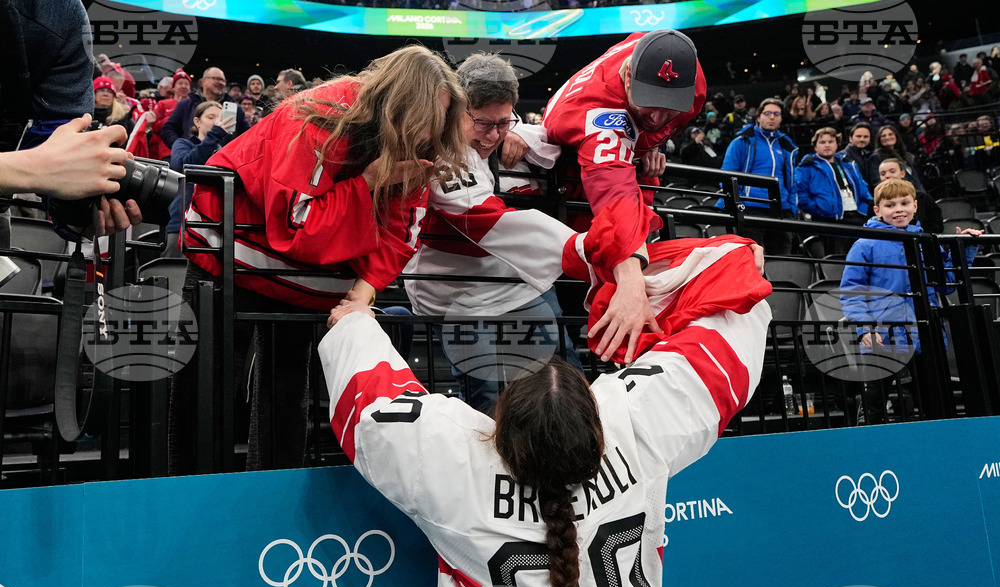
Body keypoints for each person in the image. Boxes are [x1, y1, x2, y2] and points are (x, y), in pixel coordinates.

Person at [319, 239, 770, 587]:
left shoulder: (453, 461)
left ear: (498, 427)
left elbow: (371, 403)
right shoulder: (634, 423)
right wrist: (737, 260)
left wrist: (358, 319)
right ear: (596, 423)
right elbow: (726, 340)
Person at [168, 45, 468, 473]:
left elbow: (403, 230)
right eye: (423, 121)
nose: (428, 136)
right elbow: (299, 227)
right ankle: (187, 504)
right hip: (227, 253)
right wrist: (366, 183)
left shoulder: (421, 142)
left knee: (286, 401)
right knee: (206, 396)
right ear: (395, 102)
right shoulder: (320, 115)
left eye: (438, 124)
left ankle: (273, 505)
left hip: (306, 282)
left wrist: (362, 295)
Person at [403, 53, 587, 412]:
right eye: (484, 123)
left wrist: (518, 132)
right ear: (456, 107)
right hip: (454, 294)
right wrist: (583, 250)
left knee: (565, 374)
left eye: (505, 122)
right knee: (485, 395)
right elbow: (482, 217)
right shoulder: (435, 148)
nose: (494, 135)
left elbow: (557, 136)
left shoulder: (504, 131)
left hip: (514, 283)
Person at [541, 30, 707, 240]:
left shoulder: (692, 82)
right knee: (587, 245)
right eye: (649, 101)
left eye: (670, 106)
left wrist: (646, 144)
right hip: (571, 172)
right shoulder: (588, 109)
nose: (656, 119)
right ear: (628, 77)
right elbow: (614, 191)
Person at [839, 178, 981, 424]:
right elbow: (852, 291)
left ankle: (935, 450)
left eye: (904, 203)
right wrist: (864, 328)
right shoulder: (864, 243)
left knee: (933, 399)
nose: (899, 209)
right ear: (878, 210)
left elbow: (945, 285)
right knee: (873, 401)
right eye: (890, 205)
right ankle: (871, 451)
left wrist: (964, 248)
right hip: (883, 333)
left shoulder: (926, 241)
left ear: (915, 206)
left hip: (924, 331)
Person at [0, 0, 139, 237]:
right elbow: (48, 164)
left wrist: (80, 205)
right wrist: (33, 170)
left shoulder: (64, 11)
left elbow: (55, 136)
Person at [717, 97, 798, 254]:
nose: (772, 117)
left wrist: (792, 206)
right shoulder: (742, 141)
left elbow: (792, 182)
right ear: (759, 116)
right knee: (750, 259)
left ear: (781, 118)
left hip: (781, 209)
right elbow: (726, 176)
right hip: (751, 207)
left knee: (782, 261)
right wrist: (738, 202)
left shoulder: (786, 146)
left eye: (776, 113)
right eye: (767, 113)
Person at [164, 101, 235, 257]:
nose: (217, 122)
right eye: (211, 117)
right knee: (175, 272)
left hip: (215, 225)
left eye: (221, 118)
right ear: (197, 122)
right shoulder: (182, 143)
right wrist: (214, 134)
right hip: (182, 223)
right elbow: (184, 166)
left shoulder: (225, 152)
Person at [795, 127, 872, 255]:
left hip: (856, 216)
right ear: (815, 147)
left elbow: (864, 191)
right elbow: (801, 195)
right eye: (822, 142)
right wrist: (820, 209)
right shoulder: (807, 167)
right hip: (829, 219)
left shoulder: (849, 164)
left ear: (837, 145)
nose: (827, 145)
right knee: (838, 258)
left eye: (831, 141)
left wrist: (865, 209)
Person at [160, 66, 250, 149]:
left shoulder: (235, 108)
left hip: (224, 161)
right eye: (216, 79)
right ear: (203, 81)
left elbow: (248, 135)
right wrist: (181, 148)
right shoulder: (186, 104)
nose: (221, 83)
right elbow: (168, 129)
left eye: (223, 80)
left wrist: (233, 151)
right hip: (191, 161)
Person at [876, 157, 942, 234]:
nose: (887, 176)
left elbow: (936, 225)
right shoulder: (874, 202)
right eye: (883, 174)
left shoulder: (923, 198)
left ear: (903, 173)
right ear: (877, 210)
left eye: (892, 171)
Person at [149, 69, 192, 160]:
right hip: (167, 152)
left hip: (190, 151)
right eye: (180, 83)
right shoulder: (163, 104)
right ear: (173, 87)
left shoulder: (194, 105)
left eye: (186, 84)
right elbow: (155, 126)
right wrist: (175, 115)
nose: (183, 86)